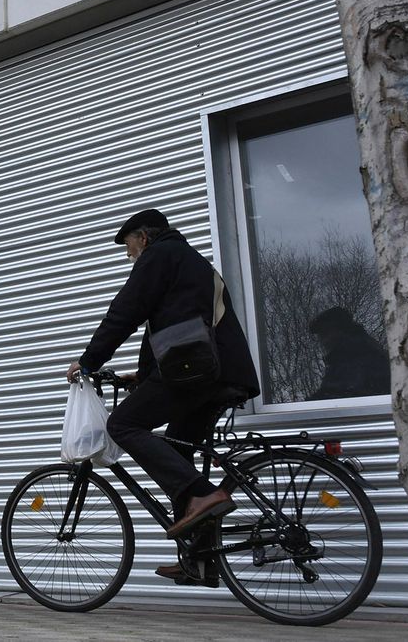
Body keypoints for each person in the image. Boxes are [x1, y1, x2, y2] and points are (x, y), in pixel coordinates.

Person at [66, 209, 260, 583]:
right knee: (178, 450)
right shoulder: (190, 262)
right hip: (216, 373)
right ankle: (199, 561)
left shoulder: (161, 255)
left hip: (203, 372)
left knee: (122, 423)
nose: (129, 256)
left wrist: (89, 361)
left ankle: (203, 495)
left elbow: (126, 311)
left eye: (128, 246)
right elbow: (177, 325)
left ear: (143, 236)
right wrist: (145, 375)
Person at [307, 306, 390, 400]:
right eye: (321, 336)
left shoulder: (357, 358)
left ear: (340, 331)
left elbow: (341, 395)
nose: (323, 341)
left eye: (325, 333)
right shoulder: (344, 357)